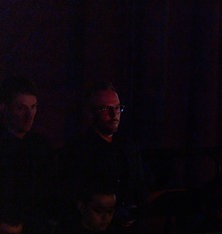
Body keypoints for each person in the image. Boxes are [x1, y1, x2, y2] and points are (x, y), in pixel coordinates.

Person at [58, 82, 147, 225]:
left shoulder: (129, 146)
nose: (114, 115)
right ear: (91, 112)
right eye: (106, 108)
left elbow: (139, 186)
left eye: (117, 108)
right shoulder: (78, 150)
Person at [0, 76, 58, 220]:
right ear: (4, 108)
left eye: (33, 107)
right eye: (21, 108)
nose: (29, 115)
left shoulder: (42, 146)